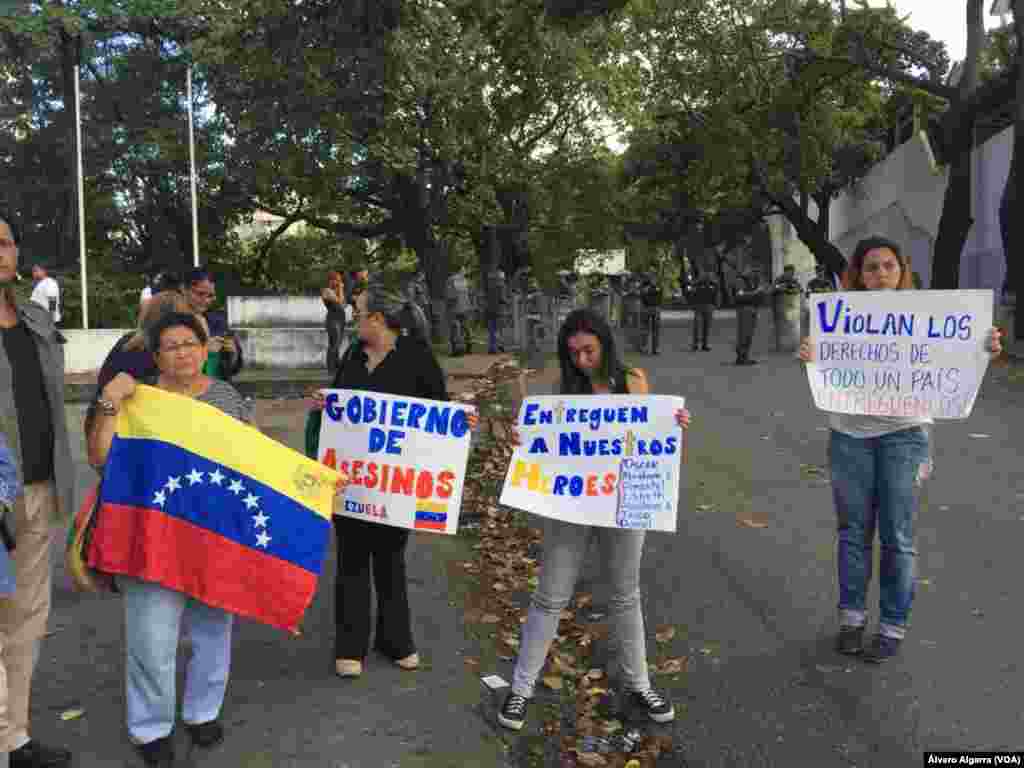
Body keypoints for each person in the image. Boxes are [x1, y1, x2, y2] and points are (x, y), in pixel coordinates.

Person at [799, 236, 1003, 663]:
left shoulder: (926, 315)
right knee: (853, 532)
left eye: (888, 266)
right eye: (871, 267)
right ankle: (852, 620)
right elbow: (822, 359)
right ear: (857, 272)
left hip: (905, 436)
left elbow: (958, 350)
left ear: (900, 269)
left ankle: (892, 626)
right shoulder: (837, 316)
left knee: (898, 536)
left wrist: (984, 349)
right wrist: (811, 353)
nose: (880, 275)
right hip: (849, 436)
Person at [498, 308, 691, 732]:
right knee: (551, 595)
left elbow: (651, 436)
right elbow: (544, 442)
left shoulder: (633, 380)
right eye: (574, 353)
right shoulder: (563, 390)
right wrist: (522, 436)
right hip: (573, 504)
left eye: (589, 350)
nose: (582, 360)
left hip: (624, 501)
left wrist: (673, 424)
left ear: (605, 344)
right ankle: (521, 688)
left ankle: (641, 683)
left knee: (625, 596)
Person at [86, 312, 255, 767]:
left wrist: (312, 482)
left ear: (205, 349)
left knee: (213, 630)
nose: (182, 352)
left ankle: (203, 713)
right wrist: (107, 402)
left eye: (190, 343)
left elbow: (258, 462)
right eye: (171, 346)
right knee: (151, 637)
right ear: (156, 356)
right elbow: (101, 458)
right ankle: (151, 727)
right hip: (150, 535)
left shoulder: (228, 398)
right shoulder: (136, 399)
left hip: (214, 533)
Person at [312, 281, 477, 679]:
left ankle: (396, 640)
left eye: (359, 312)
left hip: (394, 487)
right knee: (351, 561)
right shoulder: (352, 354)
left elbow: (437, 414)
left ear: (379, 320)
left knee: (389, 561)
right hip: (352, 482)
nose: (352, 319)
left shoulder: (417, 357)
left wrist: (460, 419)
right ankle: (350, 646)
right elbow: (339, 406)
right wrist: (324, 403)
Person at [0, 213, 74, 768]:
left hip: (39, 490)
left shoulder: (33, 319)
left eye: (3, 242)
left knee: (26, 619)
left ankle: (14, 737)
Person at [184, 269, 243, 381]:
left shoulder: (219, 322)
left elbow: (233, 369)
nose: (205, 300)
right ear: (184, 290)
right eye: (200, 294)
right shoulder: (171, 323)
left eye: (210, 296)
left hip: (217, 392)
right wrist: (203, 350)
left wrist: (233, 354)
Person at [732, 265, 767, 365]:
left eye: (756, 271)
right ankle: (741, 357)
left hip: (753, 309)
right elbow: (740, 295)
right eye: (752, 270)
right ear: (745, 270)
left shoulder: (752, 281)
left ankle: (745, 356)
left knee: (749, 334)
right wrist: (755, 292)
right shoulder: (740, 281)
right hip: (744, 309)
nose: (754, 273)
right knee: (744, 333)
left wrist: (761, 293)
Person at [322, 271, 349, 376]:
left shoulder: (336, 291)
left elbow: (343, 304)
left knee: (338, 344)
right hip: (333, 320)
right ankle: (331, 369)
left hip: (341, 319)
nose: (339, 282)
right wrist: (341, 289)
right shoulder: (327, 291)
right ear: (331, 280)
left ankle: (337, 367)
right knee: (334, 344)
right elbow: (339, 302)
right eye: (337, 280)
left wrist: (340, 291)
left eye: (340, 280)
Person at [446, 268, 473, 356]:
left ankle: (457, 350)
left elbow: (450, 296)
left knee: (455, 328)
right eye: (464, 270)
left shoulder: (451, 280)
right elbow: (469, 294)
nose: (465, 271)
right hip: (465, 307)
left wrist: (448, 306)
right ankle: (469, 347)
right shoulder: (464, 281)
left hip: (455, 308)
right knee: (466, 327)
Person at [688, 271, 717, 352]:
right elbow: (692, 294)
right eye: (704, 275)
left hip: (709, 306)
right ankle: (695, 344)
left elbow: (715, 294)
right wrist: (692, 305)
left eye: (708, 275)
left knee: (707, 326)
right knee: (697, 326)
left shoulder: (713, 284)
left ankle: (705, 344)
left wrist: (714, 305)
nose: (706, 276)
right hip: (698, 306)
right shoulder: (697, 284)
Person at [484, 266, 507, 354]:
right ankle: (499, 345)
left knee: (492, 330)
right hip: (499, 310)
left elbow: (487, 298)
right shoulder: (502, 287)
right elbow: (502, 299)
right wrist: (507, 302)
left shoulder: (489, 287)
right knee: (499, 329)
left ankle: (492, 347)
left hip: (489, 309)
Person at [640, 273, 663, 355]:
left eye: (654, 278)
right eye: (652, 278)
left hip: (656, 308)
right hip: (646, 308)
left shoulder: (658, 286)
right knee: (645, 329)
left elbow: (660, 295)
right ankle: (644, 347)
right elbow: (642, 295)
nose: (653, 280)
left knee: (656, 330)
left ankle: (655, 348)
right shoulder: (644, 286)